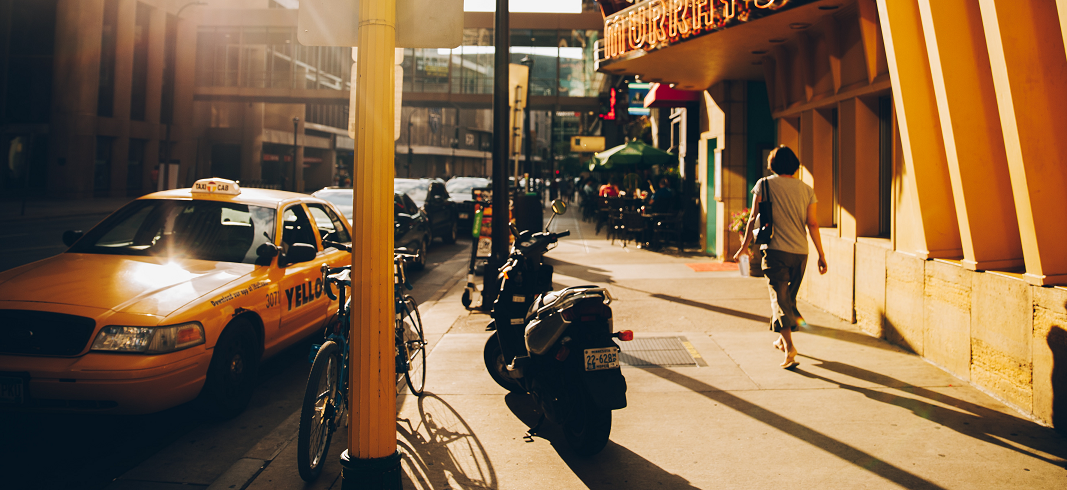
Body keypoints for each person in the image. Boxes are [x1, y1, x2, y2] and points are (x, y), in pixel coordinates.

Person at [733, 145, 827, 369]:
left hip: (775, 250)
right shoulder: (806, 189)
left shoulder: (764, 184)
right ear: (795, 165)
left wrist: (744, 247)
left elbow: (753, 216)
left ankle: (790, 349)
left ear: (772, 164)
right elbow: (812, 223)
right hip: (800, 253)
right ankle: (780, 340)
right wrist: (821, 255)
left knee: (780, 300)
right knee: (787, 300)